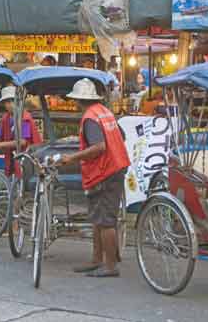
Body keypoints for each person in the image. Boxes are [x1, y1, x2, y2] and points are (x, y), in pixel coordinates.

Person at [59, 78, 130, 277]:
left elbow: (99, 147)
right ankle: (96, 260)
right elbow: (120, 136)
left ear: (79, 100)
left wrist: (72, 158)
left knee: (106, 220)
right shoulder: (104, 112)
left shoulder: (90, 118)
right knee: (98, 218)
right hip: (115, 166)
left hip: (106, 171)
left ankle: (110, 266)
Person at [0, 86, 42, 177]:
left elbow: (23, 142)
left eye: (11, 101)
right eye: (6, 102)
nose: (9, 105)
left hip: (28, 157)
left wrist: (0, 144)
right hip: (12, 155)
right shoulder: (6, 117)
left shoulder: (25, 118)